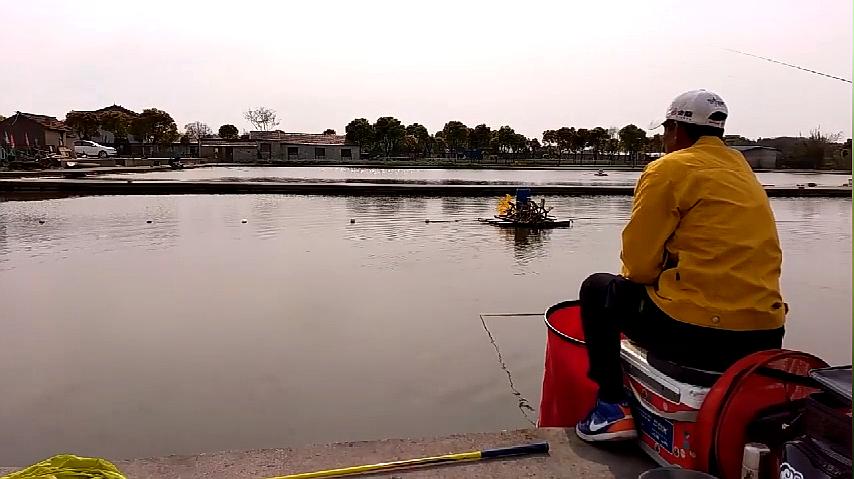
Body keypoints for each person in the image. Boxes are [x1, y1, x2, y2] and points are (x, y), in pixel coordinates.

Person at [574, 90, 786, 442]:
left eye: (665, 130)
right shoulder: (742, 170)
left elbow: (639, 267)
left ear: (675, 129)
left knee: (597, 288)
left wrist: (657, 278)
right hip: (766, 335)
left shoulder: (668, 169)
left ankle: (611, 407)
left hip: (698, 335)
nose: (664, 138)